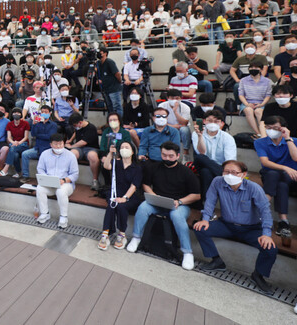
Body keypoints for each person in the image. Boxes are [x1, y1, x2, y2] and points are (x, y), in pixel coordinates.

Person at [194, 160, 277, 294]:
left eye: (234, 172)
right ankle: (216, 260)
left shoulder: (253, 188)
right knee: (200, 228)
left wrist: (266, 234)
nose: (229, 175)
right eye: (226, 172)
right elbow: (210, 201)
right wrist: (205, 219)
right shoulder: (218, 181)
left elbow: (265, 211)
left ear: (243, 174)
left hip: (250, 228)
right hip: (227, 225)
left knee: (270, 249)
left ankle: (258, 275)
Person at [126, 142, 201, 271]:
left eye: (171, 156)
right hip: (158, 201)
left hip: (180, 205)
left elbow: (196, 195)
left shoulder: (186, 172)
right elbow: (146, 185)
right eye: (164, 155)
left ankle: (187, 252)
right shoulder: (154, 167)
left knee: (176, 215)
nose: (167, 158)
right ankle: (136, 237)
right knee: (143, 207)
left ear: (177, 156)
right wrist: (154, 196)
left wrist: (180, 201)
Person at [255, 115, 297, 239]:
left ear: (284, 128)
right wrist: (285, 167)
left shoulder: (296, 141)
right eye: (268, 128)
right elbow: (265, 162)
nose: (272, 130)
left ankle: (262, 207)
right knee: (278, 181)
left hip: (292, 176)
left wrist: (287, 139)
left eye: (276, 128)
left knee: (279, 179)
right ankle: (284, 222)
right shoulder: (259, 142)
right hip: (271, 175)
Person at [98, 142, 142, 251]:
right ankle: (105, 233)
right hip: (114, 192)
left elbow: (134, 186)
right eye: (122, 147)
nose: (124, 149)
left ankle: (122, 234)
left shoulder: (137, 168)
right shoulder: (116, 163)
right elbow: (106, 165)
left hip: (130, 196)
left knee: (122, 206)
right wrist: (110, 153)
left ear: (132, 151)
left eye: (127, 147)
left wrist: (125, 198)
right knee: (112, 204)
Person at [35, 134, 79, 229]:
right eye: (56, 144)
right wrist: (46, 178)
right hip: (50, 183)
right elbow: (40, 169)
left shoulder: (70, 155)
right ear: (51, 144)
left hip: (66, 184)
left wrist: (64, 180)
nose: (59, 146)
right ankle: (45, 213)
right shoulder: (44, 154)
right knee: (39, 188)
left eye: (61, 144)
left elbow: (75, 174)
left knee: (61, 191)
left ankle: (64, 217)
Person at [192, 110, 237, 197]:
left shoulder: (227, 138)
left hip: (221, 166)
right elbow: (201, 152)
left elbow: (230, 160)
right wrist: (200, 136)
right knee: (200, 157)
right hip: (202, 163)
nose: (213, 123)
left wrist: (226, 169)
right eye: (210, 121)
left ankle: (207, 203)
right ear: (204, 121)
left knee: (206, 172)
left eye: (216, 121)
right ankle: (224, 176)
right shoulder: (196, 134)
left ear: (222, 123)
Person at [21, 105, 59, 181]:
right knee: (25, 154)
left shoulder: (53, 125)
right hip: (37, 148)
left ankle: (45, 178)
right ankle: (25, 176)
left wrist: (39, 135)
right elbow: (33, 134)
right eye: (42, 112)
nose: (44, 113)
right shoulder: (37, 123)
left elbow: (50, 137)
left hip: (48, 149)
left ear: (50, 113)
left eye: (46, 112)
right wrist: (34, 124)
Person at [65, 114, 101, 190]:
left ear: (80, 122)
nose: (75, 127)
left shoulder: (91, 128)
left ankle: (95, 180)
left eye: (75, 125)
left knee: (93, 156)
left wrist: (71, 146)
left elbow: (83, 142)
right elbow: (75, 132)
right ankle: (68, 177)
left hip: (91, 148)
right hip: (79, 149)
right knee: (71, 154)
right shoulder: (78, 127)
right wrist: (70, 140)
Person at [238, 63, 272, 137]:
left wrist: (262, 104)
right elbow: (241, 95)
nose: (253, 69)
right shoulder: (243, 80)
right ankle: (258, 133)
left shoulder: (267, 81)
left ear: (261, 69)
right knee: (248, 110)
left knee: (258, 111)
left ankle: (264, 134)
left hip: (261, 103)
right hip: (247, 103)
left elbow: (268, 95)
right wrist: (247, 104)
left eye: (256, 67)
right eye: (251, 67)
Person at [157, 89, 191, 159]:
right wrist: (173, 126)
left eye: (177, 98)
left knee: (185, 130)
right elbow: (160, 122)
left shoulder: (185, 107)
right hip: (168, 127)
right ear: (168, 98)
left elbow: (184, 123)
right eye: (172, 98)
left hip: (181, 128)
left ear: (181, 98)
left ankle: (186, 151)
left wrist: (175, 111)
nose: (175, 100)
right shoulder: (162, 106)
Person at [1, 108, 30, 177]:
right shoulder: (9, 124)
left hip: (23, 144)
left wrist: (18, 143)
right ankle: (19, 172)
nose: (16, 114)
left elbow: (26, 137)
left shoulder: (25, 123)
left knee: (12, 148)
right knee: (15, 155)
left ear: (21, 114)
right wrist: (14, 142)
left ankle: (5, 169)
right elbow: (9, 137)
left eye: (18, 113)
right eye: (14, 113)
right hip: (14, 143)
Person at [96, 47, 123, 116]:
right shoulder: (98, 63)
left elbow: (117, 74)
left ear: (105, 53)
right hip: (106, 89)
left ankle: (119, 122)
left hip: (114, 88)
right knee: (109, 107)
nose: (98, 54)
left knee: (116, 107)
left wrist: (120, 81)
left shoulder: (109, 62)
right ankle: (111, 122)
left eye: (100, 52)